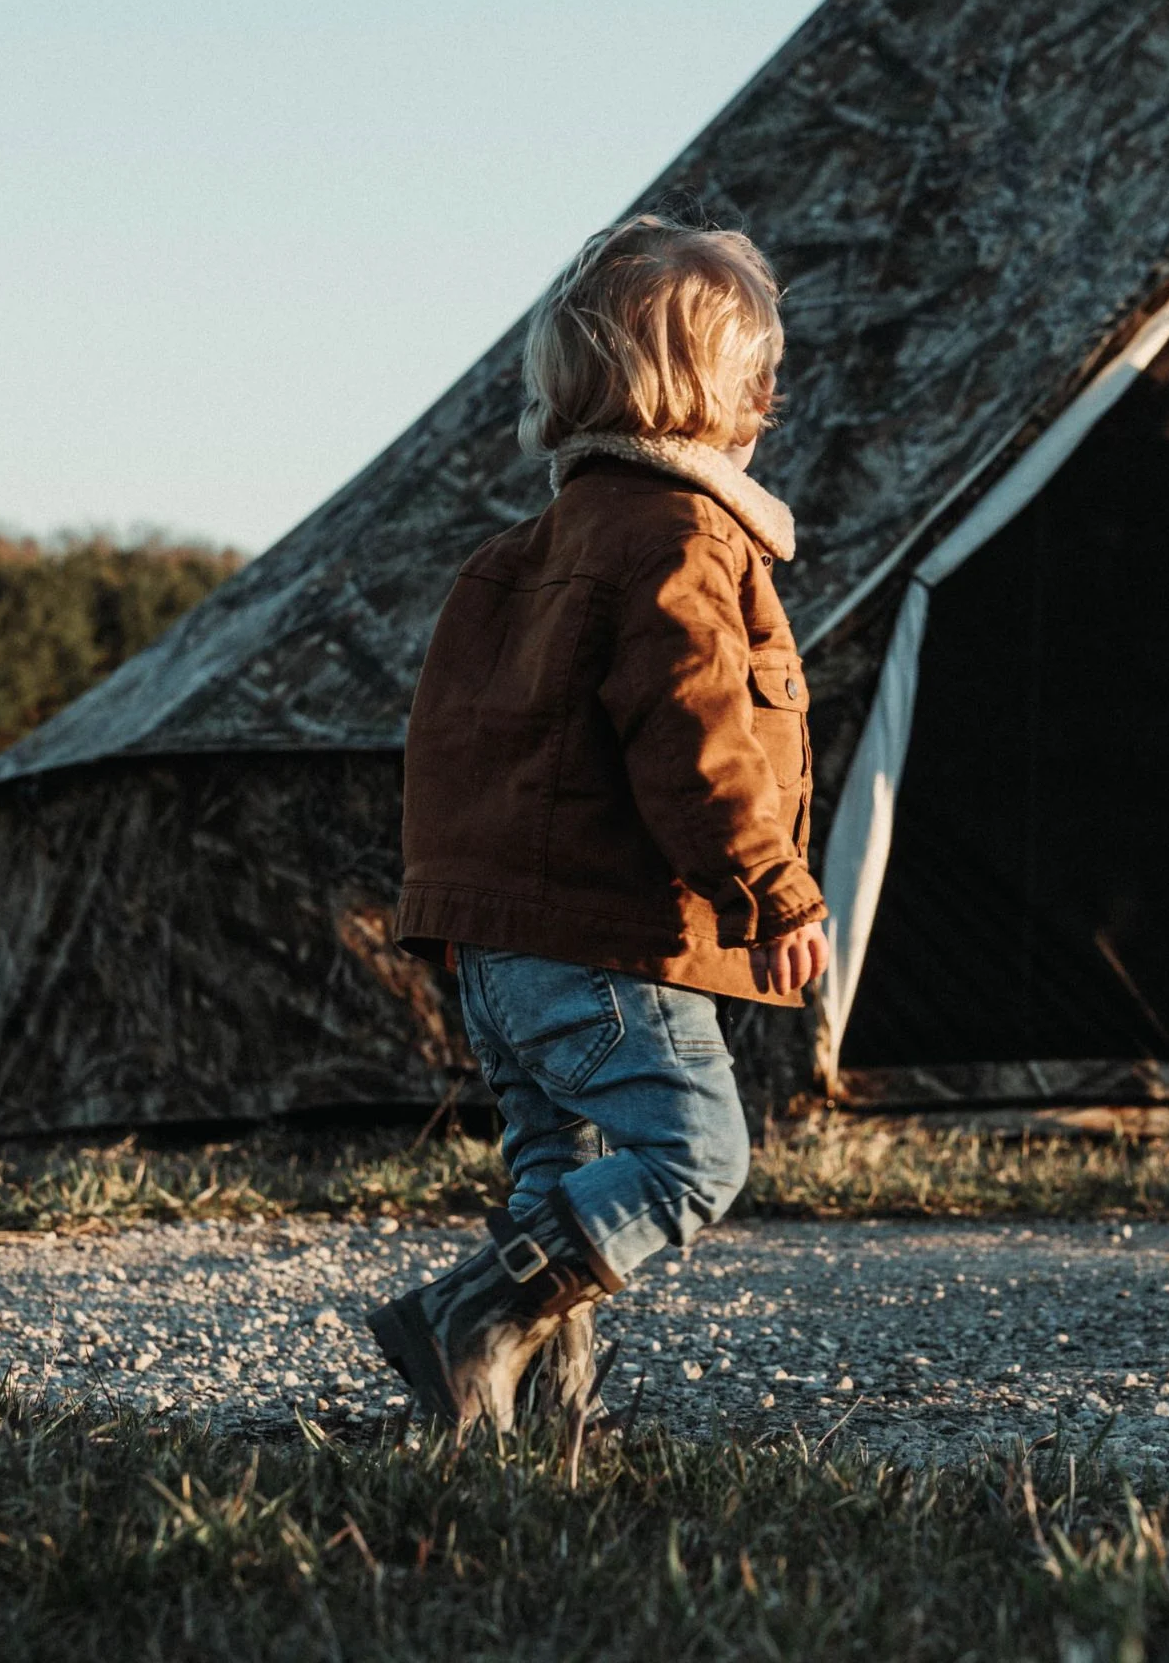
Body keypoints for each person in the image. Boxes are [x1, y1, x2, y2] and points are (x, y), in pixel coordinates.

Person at [370, 215, 830, 1432]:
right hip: (608, 938)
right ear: (702, 395)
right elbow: (696, 739)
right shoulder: (679, 543)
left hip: (502, 946)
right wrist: (771, 889)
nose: (768, 401)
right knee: (694, 1155)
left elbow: (457, 756)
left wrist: (453, 923)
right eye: (755, 377)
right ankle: (470, 1315)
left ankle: (525, 1410)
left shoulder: (512, 557)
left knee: (554, 1170)